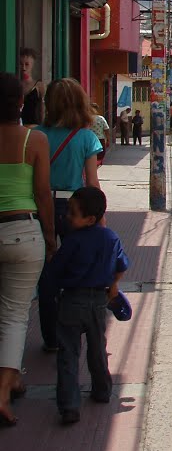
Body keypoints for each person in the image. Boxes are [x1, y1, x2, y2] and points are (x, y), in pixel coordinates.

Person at [0, 72, 56, 427]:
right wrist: (50, 238)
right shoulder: (33, 141)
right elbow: (42, 194)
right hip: (24, 230)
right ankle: (5, 389)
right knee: (15, 316)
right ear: (21, 103)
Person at [45, 187, 128, 425]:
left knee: (68, 354)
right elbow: (122, 265)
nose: (66, 216)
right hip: (97, 303)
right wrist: (113, 286)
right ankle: (102, 391)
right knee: (97, 350)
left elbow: (53, 274)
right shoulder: (110, 237)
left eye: (72, 212)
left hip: (71, 301)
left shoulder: (72, 242)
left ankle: (70, 405)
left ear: (90, 218)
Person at [36, 78, 103, 352]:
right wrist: (99, 219)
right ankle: (76, 330)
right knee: (79, 269)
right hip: (76, 208)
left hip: (41, 206)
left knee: (46, 274)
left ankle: (50, 339)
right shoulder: (86, 137)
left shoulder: (37, 135)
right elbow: (92, 183)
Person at [19, 48, 44, 127]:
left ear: (32, 65)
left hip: (34, 127)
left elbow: (43, 110)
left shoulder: (39, 86)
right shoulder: (15, 84)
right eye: (21, 64)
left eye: (27, 64)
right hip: (18, 127)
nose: (23, 68)